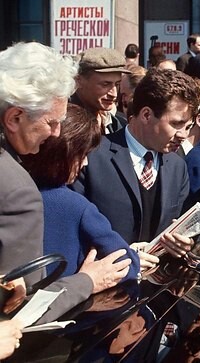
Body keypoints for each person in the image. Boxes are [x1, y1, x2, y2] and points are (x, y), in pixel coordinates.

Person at [0, 42, 133, 325]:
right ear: (14, 118)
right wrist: (86, 281)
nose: (56, 133)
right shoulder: (16, 189)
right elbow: (19, 313)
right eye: (51, 122)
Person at [72, 68, 200, 254]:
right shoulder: (91, 157)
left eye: (188, 126)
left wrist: (184, 243)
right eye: (176, 124)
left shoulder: (177, 165)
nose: (183, 135)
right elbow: (73, 231)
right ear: (146, 115)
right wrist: (122, 257)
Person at [21, 105, 142, 277]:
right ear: (65, 153)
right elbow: (125, 264)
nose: (85, 163)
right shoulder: (76, 206)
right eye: (82, 155)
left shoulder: (16, 188)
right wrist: (133, 256)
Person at [71, 47, 131, 134]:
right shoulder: (62, 125)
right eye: (105, 84)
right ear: (79, 81)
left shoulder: (119, 124)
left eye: (117, 84)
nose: (113, 94)